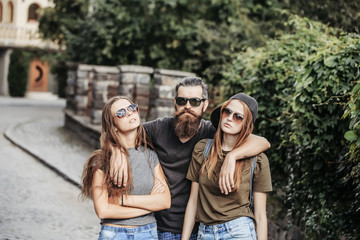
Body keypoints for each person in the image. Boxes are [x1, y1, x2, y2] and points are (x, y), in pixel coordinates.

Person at [110, 77, 271, 239]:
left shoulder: (213, 133)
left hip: (199, 229)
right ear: (175, 102)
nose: (187, 106)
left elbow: (262, 141)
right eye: (182, 100)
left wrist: (232, 156)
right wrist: (117, 151)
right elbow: (117, 131)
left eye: (194, 101)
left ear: (205, 105)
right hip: (158, 226)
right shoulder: (158, 129)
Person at [181, 93, 273, 240]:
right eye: (227, 111)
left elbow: (261, 215)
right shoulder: (202, 150)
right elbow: (193, 201)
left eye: (238, 117)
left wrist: (232, 156)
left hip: (239, 231)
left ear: (246, 124)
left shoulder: (258, 160)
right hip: (205, 232)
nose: (230, 118)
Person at [80, 96, 171, 240]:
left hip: (147, 233)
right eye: (121, 113)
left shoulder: (150, 155)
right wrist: (148, 205)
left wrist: (122, 200)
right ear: (113, 125)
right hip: (114, 233)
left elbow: (165, 201)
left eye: (132, 108)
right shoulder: (102, 160)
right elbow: (103, 211)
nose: (129, 113)